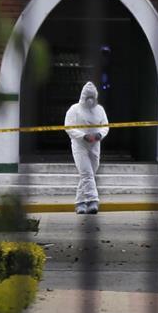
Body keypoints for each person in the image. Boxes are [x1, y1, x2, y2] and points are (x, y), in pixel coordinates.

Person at [64, 81, 109, 214]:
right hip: (79, 145)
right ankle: (93, 200)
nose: (90, 100)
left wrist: (99, 135)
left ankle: (80, 203)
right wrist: (83, 136)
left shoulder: (100, 110)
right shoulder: (74, 110)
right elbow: (69, 127)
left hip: (95, 145)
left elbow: (105, 125)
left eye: (92, 97)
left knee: (90, 174)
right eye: (87, 97)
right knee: (87, 173)